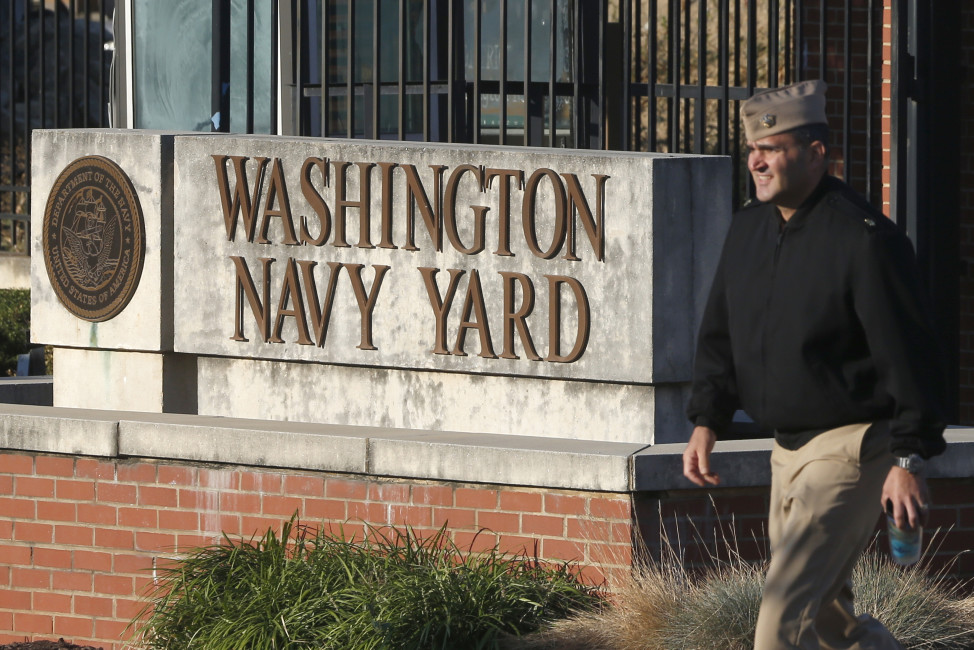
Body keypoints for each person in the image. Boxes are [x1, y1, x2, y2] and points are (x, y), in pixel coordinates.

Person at [682, 80, 947, 649]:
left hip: (852, 449)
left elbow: (911, 356)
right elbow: (721, 334)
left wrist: (909, 454)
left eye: (773, 147)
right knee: (828, 622)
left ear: (817, 154)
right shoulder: (748, 229)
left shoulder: (865, 241)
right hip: (786, 450)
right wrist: (707, 418)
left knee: (781, 621)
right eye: (754, 147)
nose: (756, 159)